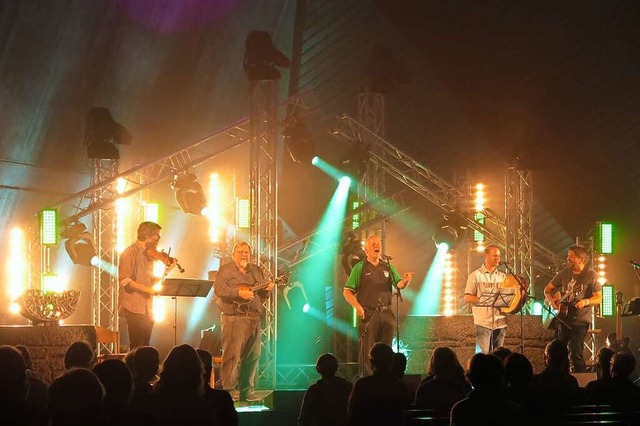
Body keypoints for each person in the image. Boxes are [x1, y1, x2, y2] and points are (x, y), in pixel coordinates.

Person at [342, 235, 413, 376]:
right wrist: (357, 307)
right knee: (368, 352)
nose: (377, 246)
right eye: (373, 244)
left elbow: (399, 284)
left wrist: (406, 281)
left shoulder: (387, 266)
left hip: (386, 313)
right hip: (369, 313)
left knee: (386, 351)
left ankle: (386, 380)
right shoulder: (360, 267)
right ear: (366, 249)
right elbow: (347, 292)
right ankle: (368, 381)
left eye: (379, 243)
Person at [213, 241, 274, 401]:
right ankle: (229, 391)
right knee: (232, 356)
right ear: (234, 254)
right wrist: (239, 293)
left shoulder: (256, 270)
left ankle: (247, 391)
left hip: (254, 318)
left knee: (253, 355)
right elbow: (219, 289)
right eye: (240, 252)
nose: (244, 255)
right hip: (234, 319)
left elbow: (260, 297)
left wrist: (267, 291)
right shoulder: (225, 270)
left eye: (246, 252)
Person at [543, 244, 601, 372]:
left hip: (580, 321)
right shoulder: (564, 273)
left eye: (571, 256)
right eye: (568, 256)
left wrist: (585, 301)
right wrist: (551, 300)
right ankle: (559, 379)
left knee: (577, 354)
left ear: (581, 259)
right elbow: (547, 289)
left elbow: (599, 298)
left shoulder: (592, 275)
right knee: (559, 353)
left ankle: (581, 385)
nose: (568, 258)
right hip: (563, 319)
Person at [119, 221, 172, 350]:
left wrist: (166, 271)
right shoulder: (130, 252)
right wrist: (149, 290)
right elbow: (125, 281)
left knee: (146, 346)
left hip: (148, 308)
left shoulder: (149, 256)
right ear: (146, 235)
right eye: (156, 235)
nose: (158, 238)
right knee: (137, 347)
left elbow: (148, 282)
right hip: (134, 307)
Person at [464, 244, 508, 353]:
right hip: (484, 322)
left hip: (500, 321)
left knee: (499, 357)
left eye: (498, 256)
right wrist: (484, 299)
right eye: (494, 255)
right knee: (482, 357)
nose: (497, 258)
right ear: (486, 256)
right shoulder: (475, 276)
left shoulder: (503, 277)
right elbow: (467, 297)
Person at [298, 353, 352, 426]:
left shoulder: (313, 390)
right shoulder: (348, 387)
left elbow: (303, 419)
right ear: (337, 367)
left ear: (317, 369)